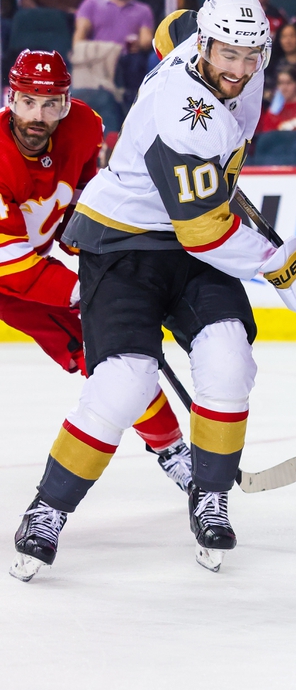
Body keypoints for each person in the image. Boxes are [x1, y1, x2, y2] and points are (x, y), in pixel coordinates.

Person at [9, 0, 296, 581]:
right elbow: (207, 234)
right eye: (226, 54)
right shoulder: (182, 112)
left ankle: (210, 497)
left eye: (250, 55)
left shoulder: (210, 43)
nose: (238, 71)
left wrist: (215, 178)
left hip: (190, 233)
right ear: (205, 49)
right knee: (125, 379)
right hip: (125, 242)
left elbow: (170, 26)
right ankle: (47, 509)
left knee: (228, 356)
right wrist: (289, 266)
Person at [0, 51, 193, 536]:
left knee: (106, 355)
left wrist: (101, 256)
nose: (37, 117)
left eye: (50, 104)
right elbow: (10, 263)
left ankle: (171, 449)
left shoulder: (85, 126)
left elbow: (86, 200)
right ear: (10, 99)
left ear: (67, 103)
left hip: (25, 272)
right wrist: (86, 291)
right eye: (28, 102)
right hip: (12, 268)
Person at [74, 0, 155, 106]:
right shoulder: (91, 4)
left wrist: (140, 45)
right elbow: (79, 37)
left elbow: (147, 39)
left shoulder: (143, 10)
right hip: (98, 59)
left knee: (136, 63)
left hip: (127, 62)